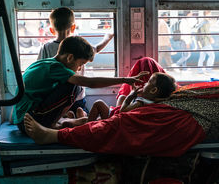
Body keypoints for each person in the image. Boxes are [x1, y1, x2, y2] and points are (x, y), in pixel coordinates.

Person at [23, 58, 219, 157]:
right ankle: (121, 109)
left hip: (197, 118)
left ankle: (57, 135)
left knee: (124, 126)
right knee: (146, 64)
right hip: (181, 98)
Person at [13, 36, 146, 134]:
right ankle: (52, 125)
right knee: (74, 86)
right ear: (70, 58)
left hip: (24, 118)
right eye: (80, 64)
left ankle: (59, 121)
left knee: (73, 83)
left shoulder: (46, 63)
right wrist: (125, 79)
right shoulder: (56, 68)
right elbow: (90, 82)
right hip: (29, 122)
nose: (78, 68)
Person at [37, 7, 114, 115]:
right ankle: (78, 117)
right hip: (77, 98)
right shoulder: (80, 45)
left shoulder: (46, 48)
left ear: (51, 30)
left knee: (60, 118)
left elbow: (40, 68)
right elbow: (96, 49)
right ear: (73, 27)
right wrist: (108, 37)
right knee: (83, 116)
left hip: (56, 99)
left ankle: (69, 119)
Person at [87, 72, 177, 122]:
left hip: (114, 116)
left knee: (98, 103)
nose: (145, 83)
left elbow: (123, 111)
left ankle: (87, 125)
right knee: (122, 97)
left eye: (149, 82)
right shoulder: (152, 100)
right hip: (118, 111)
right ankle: (88, 118)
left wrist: (130, 96)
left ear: (153, 90)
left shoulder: (140, 103)